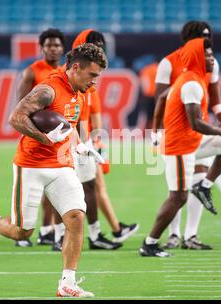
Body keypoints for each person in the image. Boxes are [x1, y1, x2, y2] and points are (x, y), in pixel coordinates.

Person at [0, 43, 107, 297]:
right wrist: (46, 140)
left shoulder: (78, 92)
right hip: (31, 164)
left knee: (76, 218)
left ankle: (67, 283)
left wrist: (80, 146)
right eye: (92, 75)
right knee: (22, 231)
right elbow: (16, 118)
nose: (94, 82)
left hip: (62, 165)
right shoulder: (47, 89)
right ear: (76, 67)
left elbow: (67, 129)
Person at [140, 38, 221, 257]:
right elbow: (196, 122)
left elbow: (163, 100)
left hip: (192, 141)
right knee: (178, 198)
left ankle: (204, 185)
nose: (212, 58)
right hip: (180, 146)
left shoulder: (194, 79)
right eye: (207, 54)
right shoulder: (190, 83)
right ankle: (150, 243)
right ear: (197, 57)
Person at [152, 21, 221, 250]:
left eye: (208, 36)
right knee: (178, 186)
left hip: (199, 128)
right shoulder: (169, 62)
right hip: (177, 131)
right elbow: (161, 100)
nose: (206, 40)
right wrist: (156, 131)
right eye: (201, 36)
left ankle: (191, 234)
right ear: (188, 39)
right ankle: (173, 234)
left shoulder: (210, 62)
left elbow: (215, 96)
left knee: (198, 176)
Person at [62, 29, 138, 251]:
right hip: (70, 140)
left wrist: (95, 142)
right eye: (93, 46)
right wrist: (86, 142)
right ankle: (64, 233)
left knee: (90, 187)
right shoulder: (70, 77)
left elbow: (90, 116)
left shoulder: (89, 84)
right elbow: (75, 116)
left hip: (82, 139)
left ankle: (99, 231)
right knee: (76, 188)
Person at [14, 28, 65, 248]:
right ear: (42, 48)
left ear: (63, 48)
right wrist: (41, 131)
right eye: (49, 45)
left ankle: (48, 230)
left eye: (56, 45)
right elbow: (20, 108)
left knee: (55, 187)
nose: (53, 48)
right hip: (36, 138)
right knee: (32, 191)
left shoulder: (65, 73)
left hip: (59, 139)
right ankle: (20, 229)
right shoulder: (32, 72)